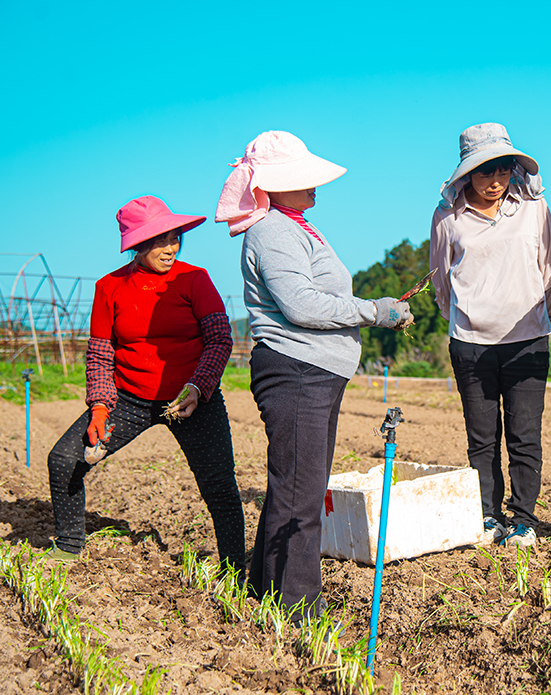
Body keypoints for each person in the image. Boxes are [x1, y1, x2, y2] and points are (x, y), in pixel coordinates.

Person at [216, 130, 413, 620]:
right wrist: (374, 311)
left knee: (295, 484)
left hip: (312, 370)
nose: (313, 186)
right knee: (301, 494)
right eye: (299, 178)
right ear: (270, 185)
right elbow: (301, 305)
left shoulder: (293, 226)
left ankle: (263, 586)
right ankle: (298, 607)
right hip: (297, 368)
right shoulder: (274, 231)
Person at [46, 196, 245, 574]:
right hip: (130, 399)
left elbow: (219, 339)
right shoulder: (110, 288)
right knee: (64, 459)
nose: (171, 248)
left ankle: (235, 571)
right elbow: (101, 354)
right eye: (159, 240)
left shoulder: (194, 279)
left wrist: (198, 387)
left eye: (175, 238)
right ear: (137, 244)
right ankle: (69, 544)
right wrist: (101, 406)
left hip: (191, 399)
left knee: (219, 486)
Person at [430, 123, 551, 549]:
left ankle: (524, 519)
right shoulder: (447, 217)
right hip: (470, 345)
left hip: (527, 339)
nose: (496, 182)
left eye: (504, 171)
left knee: (524, 434)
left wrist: (544, 309)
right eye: (486, 173)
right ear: (467, 174)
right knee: (481, 436)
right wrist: (466, 318)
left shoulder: (534, 208)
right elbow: (440, 280)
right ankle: (488, 515)